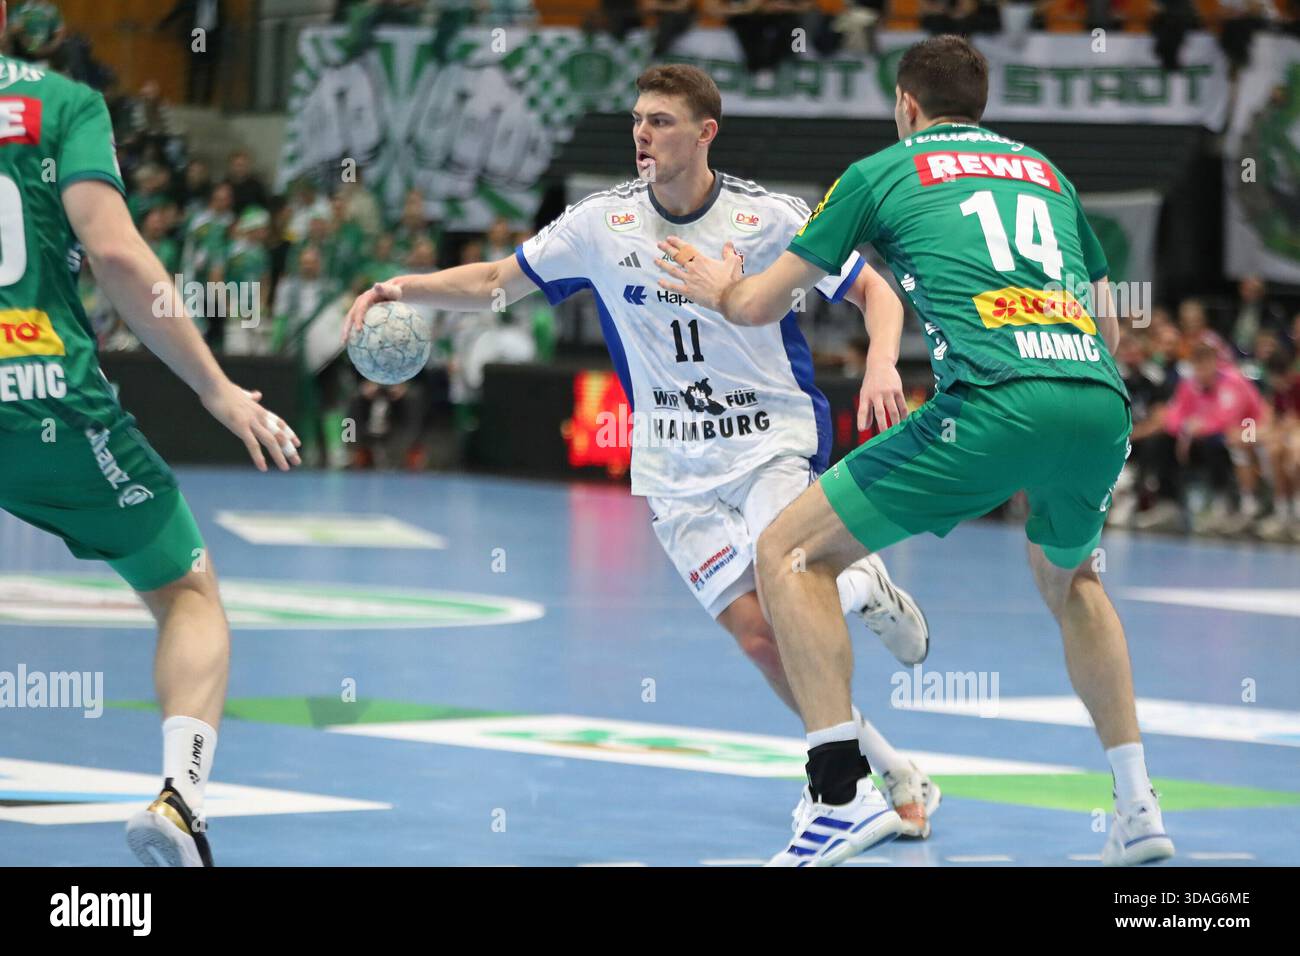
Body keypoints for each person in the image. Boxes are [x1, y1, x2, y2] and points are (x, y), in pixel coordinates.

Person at [344, 63, 943, 840]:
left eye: (660, 120)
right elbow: (498, 280)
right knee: (765, 639)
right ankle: (887, 760)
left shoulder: (767, 218)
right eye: (637, 120)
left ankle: (852, 644)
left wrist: (883, 360)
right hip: (673, 469)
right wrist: (401, 287)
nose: (642, 134)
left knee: (788, 577)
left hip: (769, 442)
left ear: (705, 132)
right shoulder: (600, 225)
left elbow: (876, 292)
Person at [660, 35, 1174, 867]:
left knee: (787, 551)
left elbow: (757, 304)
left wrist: (721, 285)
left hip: (993, 403)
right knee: (1075, 581)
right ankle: (1138, 806)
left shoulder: (881, 172)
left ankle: (839, 797)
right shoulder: (1049, 174)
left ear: (906, 106)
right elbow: (1112, 329)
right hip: (1096, 402)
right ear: (981, 106)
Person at [0, 3, 301, 867]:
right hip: (41, 397)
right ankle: (179, 798)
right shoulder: (62, 104)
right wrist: (217, 391)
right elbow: (120, 257)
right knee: (186, 590)